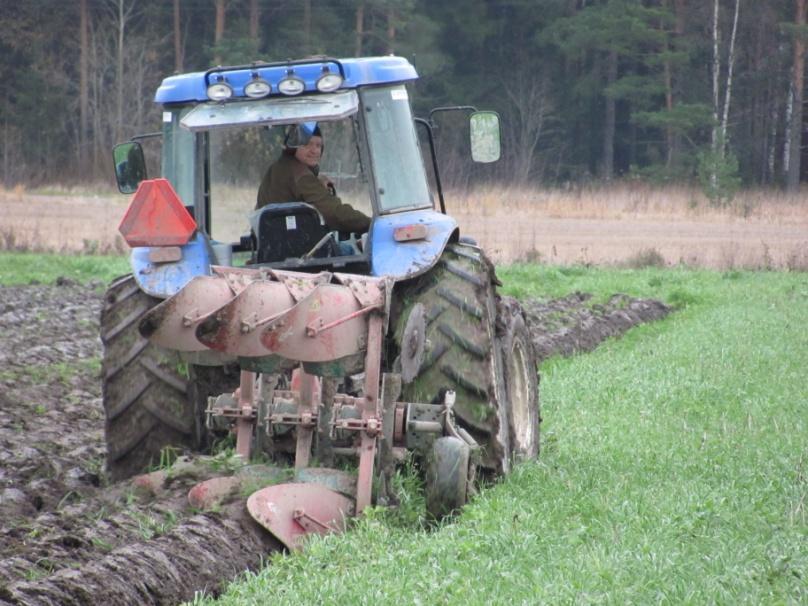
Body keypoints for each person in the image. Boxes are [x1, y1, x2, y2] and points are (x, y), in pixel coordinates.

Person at [256, 123, 371, 234]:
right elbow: (336, 214)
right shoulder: (302, 177)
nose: (314, 151)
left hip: (276, 243)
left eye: (318, 145)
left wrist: (316, 181)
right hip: (297, 246)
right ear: (293, 147)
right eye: (307, 144)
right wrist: (371, 224)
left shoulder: (279, 167)